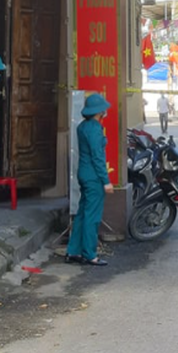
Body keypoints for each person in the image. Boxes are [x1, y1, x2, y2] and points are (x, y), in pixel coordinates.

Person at [65, 93, 114, 266]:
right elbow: (98, 157)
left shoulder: (82, 126)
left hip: (83, 173)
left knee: (81, 214)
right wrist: (106, 181)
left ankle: (73, 251)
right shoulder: (94, 129)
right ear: (99, 111)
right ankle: (90, 254)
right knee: (92, 217)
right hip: (93, 177)